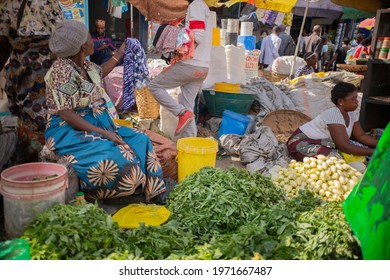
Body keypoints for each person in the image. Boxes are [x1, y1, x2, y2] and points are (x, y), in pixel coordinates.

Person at [45, 20, 166, 203]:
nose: (92, 40)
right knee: (117, 158)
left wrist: (120, 52)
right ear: (81, 46)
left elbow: (99, 73)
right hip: (68, 129)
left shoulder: (84, 65)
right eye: (88, 37)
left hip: (95, 122)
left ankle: (151, 192)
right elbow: (67, 114)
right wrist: (104, 134)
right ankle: (111, 194)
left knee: (140, 139)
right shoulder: (61, 72)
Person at [0, 0, 64, 163]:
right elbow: (62, 35)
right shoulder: (52, 3)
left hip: (26, 73)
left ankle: (33, 166)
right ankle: (49, 166)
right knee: (54, 120)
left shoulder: (9, 5)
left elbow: (3, 41)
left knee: (31, 124)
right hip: (50, 72)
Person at [149, 0, 211, 138]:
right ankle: (190, 145)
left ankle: (181, 113)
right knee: (188, 106)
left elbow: (198, 36)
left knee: (154, 86)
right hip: (202, 67)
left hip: (191, 65)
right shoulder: (202, 6)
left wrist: (175, 37)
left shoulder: (196, 5)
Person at [287, 82, 378, 161]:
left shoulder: (352, 113)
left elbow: (360, 135)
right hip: (302, 143)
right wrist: (376, 152)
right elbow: (344, 147)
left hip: (324, 143)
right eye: (353, 99)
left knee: (358, 150)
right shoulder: (333, 114)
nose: (356, 102)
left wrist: (382, 145)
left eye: (356, 98)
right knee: (337, 159)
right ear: (341, 101)